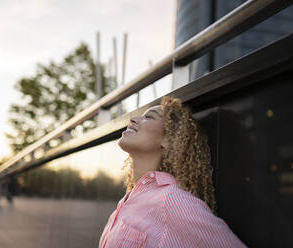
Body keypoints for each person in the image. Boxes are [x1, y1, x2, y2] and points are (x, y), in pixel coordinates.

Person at [99, 96, 246, 248]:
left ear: (168, 140)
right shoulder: (129, 198)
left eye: (149, 117)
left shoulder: (172, 199)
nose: (134, 119)